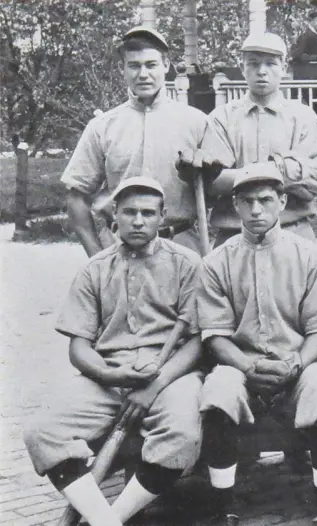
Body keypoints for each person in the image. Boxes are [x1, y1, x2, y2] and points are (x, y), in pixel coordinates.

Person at [23, 177, 204, 526]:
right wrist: (109, 375)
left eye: (148, 213)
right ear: (113, 218)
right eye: (130, 212)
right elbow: (79, 346)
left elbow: (198, 341)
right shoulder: (95, 269)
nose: (139, 220)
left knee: (181, 432)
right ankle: (106, 521)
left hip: (168, 375)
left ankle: (113, 517)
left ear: (162, 217)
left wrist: (156, 384)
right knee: (41, 431)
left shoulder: (187, 263)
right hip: (107, 373)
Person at [197, 162, 317, 526]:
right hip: (240, 365)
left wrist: (296, 364)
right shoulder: (216, 262)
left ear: (282, 201)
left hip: (296, 363)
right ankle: (225, 507)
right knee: (219, 390)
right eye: (247, 201)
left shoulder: (309, 255)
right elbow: (215, 335)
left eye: (266, 200)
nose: (256, 210)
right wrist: (247, 367)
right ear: (235, 205)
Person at [62, 27, 209, 257]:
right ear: (123, 69)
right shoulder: (103, 127)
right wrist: (96, 258)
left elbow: (218, 191)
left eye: (151, 65)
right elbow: (77, 198)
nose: (143, 74)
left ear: (166, 65)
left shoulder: (196, 122)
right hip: (119, 250)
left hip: (182, 251)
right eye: (134, 65)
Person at [198, 32, 317, 247]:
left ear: (284, 69)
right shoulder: (222, 118)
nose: (262, 71)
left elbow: (314, 185)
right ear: (242, 69)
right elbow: (214, 181)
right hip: (234, 233)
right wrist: (281, 169)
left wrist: (241, 176)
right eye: (253, 64)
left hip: (293, 230)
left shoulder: (303, 116)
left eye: (271, 63)